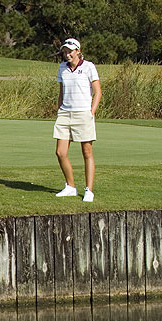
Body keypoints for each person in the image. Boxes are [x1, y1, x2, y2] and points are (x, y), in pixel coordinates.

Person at [53, 38, 102, 202]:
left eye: (70, 51)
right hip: (65, 113)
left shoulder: (88, 66)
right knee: (60, 152)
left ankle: (89, 190)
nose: (67, 54)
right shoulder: (62, 68)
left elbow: (98, 92)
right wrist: (59, 108)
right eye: (65, 51)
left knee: (87, 152)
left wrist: (91, 112)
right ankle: (70, 186)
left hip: (83, 113)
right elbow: (61, 91)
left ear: (78, 51)